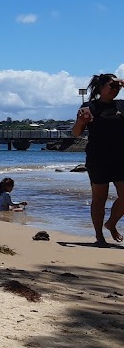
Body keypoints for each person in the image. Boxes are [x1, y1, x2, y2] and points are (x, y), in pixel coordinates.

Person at [72, 73, 124, 246]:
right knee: (99, 199)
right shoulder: (89, 107)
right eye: (112, 86)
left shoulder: (122, 105)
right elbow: (76, 133)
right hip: (98, 158)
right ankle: (99, 235)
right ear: (101, 87)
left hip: (121, 158)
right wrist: (80, 122)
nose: (116, 90)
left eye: (118, 87)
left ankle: (111, 224)